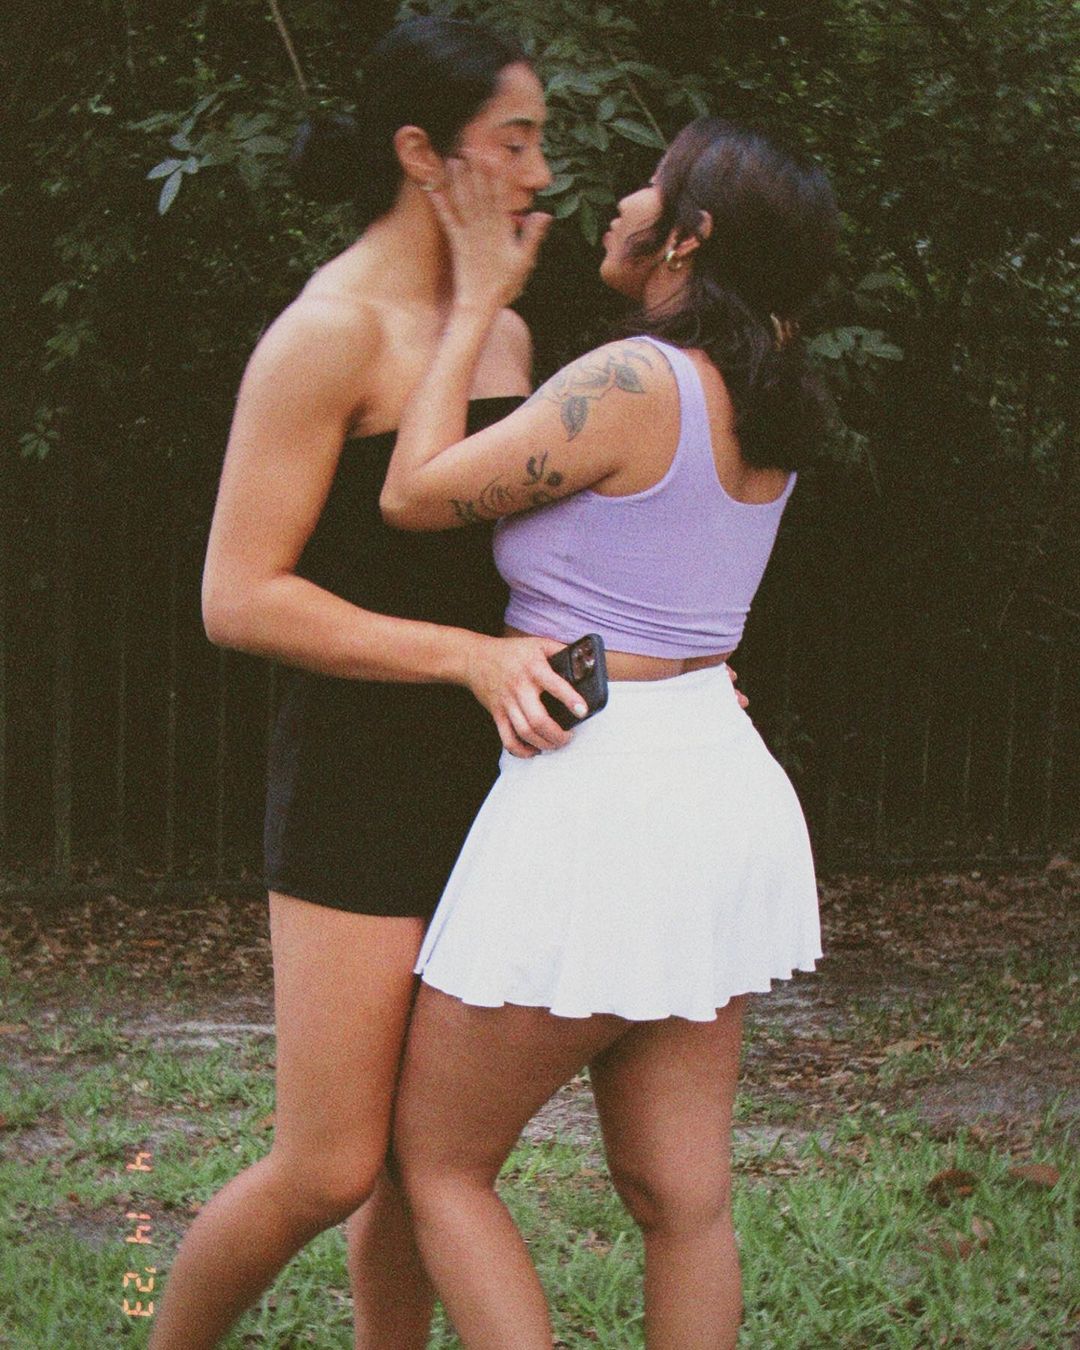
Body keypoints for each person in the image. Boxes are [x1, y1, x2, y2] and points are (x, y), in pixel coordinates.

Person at [146, 18, 589, 1350]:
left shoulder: (505, 335)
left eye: (544, 141)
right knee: (330, 1163)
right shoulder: (326, 333)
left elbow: (526, 573)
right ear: (420, 152)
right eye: (516, 140)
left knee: (422, 1157)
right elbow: (238, 595)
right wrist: (466, 658)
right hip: (358, 781)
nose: (541, 172)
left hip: (494, 777)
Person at [380, 117, 839, 1349]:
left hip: (603, 795)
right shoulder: (770, 385)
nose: (622, 201)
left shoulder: (635, 381)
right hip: (716, 775)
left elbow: (412, 492)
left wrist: (473, 306)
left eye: (650, 185)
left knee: (438, 1165)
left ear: (689, 236)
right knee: (679, 1197)